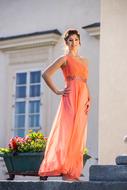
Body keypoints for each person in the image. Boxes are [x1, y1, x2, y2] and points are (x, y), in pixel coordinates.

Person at [38, 29, 91, 181]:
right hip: (70, 97)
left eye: (76, 40)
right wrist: (57, 91)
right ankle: (60, 167)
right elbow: (46, 74)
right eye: (70, 40)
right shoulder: (64, 59)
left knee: (78, 132)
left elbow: (84, 81)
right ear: (66, 43)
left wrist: (89, 98)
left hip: (83, 98)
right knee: (67, 131)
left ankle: (72, 171)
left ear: (79, 42)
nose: (73, 43)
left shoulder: (85, 61)